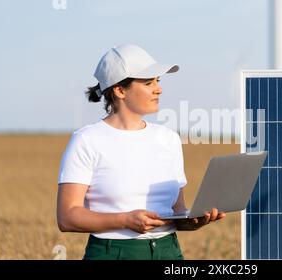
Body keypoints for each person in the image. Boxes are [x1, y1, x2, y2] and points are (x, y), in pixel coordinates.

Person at [56, 44, 225, 260]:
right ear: (119, 90)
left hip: (168, 251)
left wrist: (194, 221)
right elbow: (67, 217)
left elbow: (176, 210)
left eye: (158, 81)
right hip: (112, 253)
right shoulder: (87, 140)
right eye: (148, 82)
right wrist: (126, 221)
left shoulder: (168, 138)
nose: (158, 89)